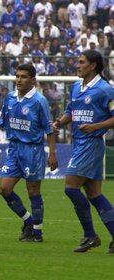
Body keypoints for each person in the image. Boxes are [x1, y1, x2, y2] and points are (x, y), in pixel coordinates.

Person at [0, 64, 58, 242]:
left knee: (33, 190)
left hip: (33, 150)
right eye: (17, 76)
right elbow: (1, 118)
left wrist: (52, 154)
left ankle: (37, 232)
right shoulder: (10, 97)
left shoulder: (39, 101)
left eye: (24, 77)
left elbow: (49, 129)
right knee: (4, 189)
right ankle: (28, 221)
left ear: (33, 80)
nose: (19, 80)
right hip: (14, 149)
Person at [53, 50, 114, 253]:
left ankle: (90, 235)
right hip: (79, 142)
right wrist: (60, 122)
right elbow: (71, 111)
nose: (77, 66)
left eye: (81, 62)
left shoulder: (105, 89)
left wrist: (96, 126)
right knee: (94, 194)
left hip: (91, 143)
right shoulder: (77, 87)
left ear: (93, 65)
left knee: (71, 188)